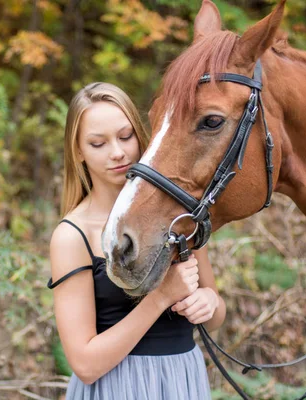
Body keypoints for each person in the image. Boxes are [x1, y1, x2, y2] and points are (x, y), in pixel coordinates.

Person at [48, 82, 226, 399]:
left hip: (182, 382)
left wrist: (209, 302)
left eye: (125, 136)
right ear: (78, 151)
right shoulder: (71, 237)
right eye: (98, 143)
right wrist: (160, 298)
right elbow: (85, 364)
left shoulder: (178, 213)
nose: (117, 152)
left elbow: (215, 316)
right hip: (117, 388)